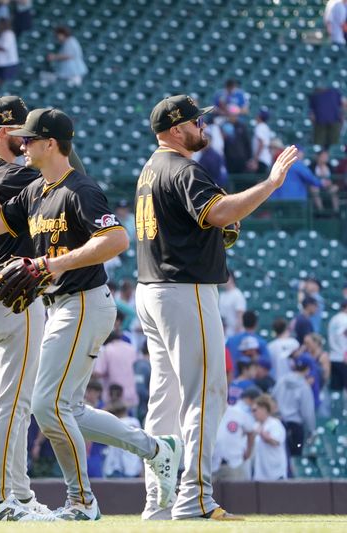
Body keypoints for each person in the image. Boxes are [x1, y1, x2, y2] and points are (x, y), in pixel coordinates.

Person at [0, 107, 181, 521]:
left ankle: (82, 502)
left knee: (47, 405)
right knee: (66, 409)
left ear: (51, 143)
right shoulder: (37, 191)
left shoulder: (79, 189)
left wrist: (54, 265)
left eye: (31, 139)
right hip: (61, 306)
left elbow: (117, 238)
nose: (24, 145)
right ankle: (157, 449)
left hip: (85, 300)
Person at [134, 94, 298, 520]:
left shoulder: (151, 169)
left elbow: (202, 223)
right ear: (174, 130)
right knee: (205, 393)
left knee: (165, 400)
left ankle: (159, 499)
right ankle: (196, 498)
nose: (202, 128)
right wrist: (270, 183)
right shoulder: (183, 168)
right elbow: (220, 212)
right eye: (194, 122)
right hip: (184, 289)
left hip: (153, 289)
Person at [212, 387, 258, 482]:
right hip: (212, 464)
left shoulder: (238, 413)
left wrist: (249, 451)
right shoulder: (208, 414)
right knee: (213, 494)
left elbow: (251, 432)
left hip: (234, 463)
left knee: (236, 494)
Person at [272, 358, 316, 458]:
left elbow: (272, 398)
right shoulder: (304, 387)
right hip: (295, 427)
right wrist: (311, 430)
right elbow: (307, 413)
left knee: (280, 456)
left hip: (278, 422)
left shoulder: (281, 380)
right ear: (307, 370)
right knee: (294, 458)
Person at [250, 394, 287, 481]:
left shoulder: (275, 424)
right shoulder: (255, 425)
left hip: (275, 473)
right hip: (260, 474)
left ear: (264, 409)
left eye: (255, 410)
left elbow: (276, 442)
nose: (253, 413)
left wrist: (263, 435)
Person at [328, 300, 347, 395]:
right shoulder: (345, 319)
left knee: (336, 392)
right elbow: (342, 334)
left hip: (333, 357)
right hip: (343, 358)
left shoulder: (334, 319)